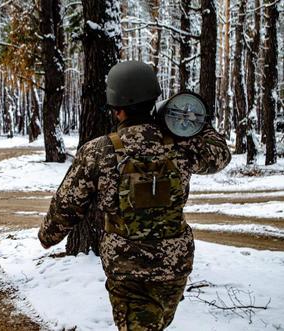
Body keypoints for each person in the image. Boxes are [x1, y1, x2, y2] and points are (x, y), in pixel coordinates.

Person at [38, 61, 231, 330]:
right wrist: (189, 121)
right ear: (154, 99)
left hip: (127, 268)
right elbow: (220, 154)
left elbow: (67, 206)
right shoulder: (181, 145)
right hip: (173, 266)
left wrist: (48, 237)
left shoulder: (98, 151)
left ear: (116, 109)